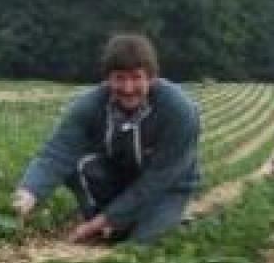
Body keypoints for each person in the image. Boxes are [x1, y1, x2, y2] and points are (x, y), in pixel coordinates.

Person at [12, 34, 201, 243]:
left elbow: (160, 179)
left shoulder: (178, 110)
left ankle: (148, 219)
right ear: (107, 79)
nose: (128, 89)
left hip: (167, 187)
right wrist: (27, 195)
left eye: (136, 78)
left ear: (152, 78)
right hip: (120, 176)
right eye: (120, 78)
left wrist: (100, 222)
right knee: (81, 165)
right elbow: (57, 152)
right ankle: (114, 222)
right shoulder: (90, 105)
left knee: (140, 245)